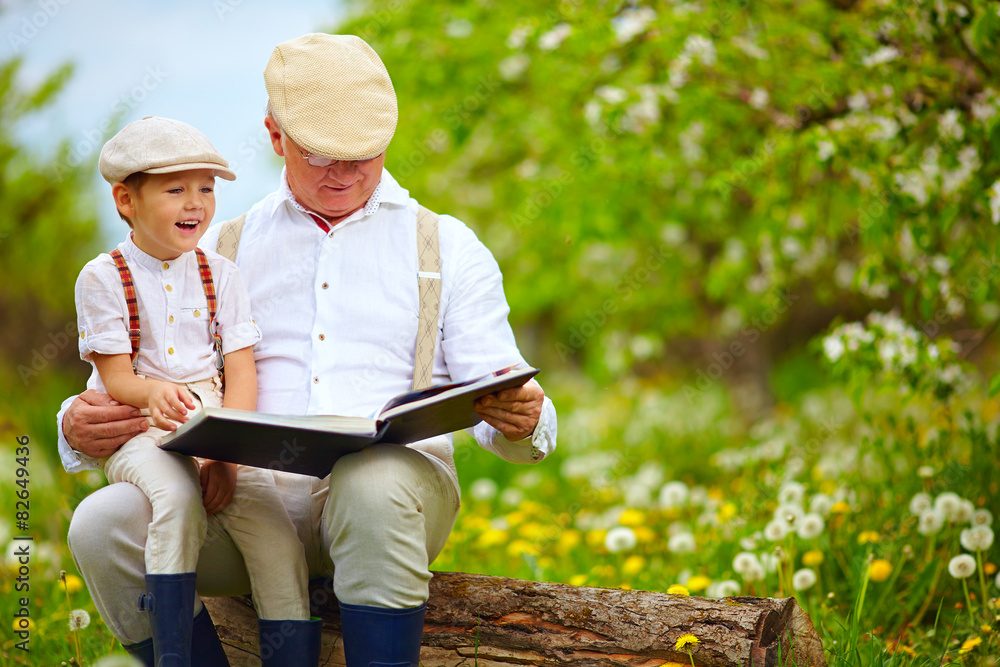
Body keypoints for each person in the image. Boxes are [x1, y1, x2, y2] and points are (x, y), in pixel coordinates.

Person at [58, 33, 557, 667]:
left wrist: (525, 416)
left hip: (395, 503)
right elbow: (138, 372)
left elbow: (506, 401)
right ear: (274, 136)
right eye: (323, 155)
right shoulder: (218, 251)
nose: (345, 173)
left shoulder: (447, 246)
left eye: (363, 154)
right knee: (102, 527)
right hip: (239, 497)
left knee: (370, 481)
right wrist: (77, 426)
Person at [74, 116, 316, 666]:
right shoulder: (103, 276)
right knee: (177, 501)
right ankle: (179, 655)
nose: (196, 203)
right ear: (125, 201)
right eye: (176, 189)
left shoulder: (221, 274)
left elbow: (241, 369)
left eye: (206, 188)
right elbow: (115, 377)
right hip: (144, 426)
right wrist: (153, 394)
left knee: (276, 540)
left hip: (216, 422)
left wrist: (227, 453)